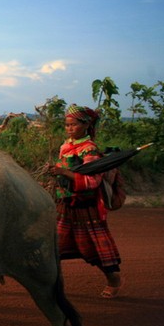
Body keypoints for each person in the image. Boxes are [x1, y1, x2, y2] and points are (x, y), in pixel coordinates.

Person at [48, 104, 123, 299]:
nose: (69, 128)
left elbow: (93, 181)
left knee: (96, 250)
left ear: (86, 125)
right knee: (53, 246)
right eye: (66, 125)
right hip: (65, 204)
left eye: (73, 125)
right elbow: (63, 172)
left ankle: (114, 281)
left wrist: (64, 172)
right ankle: (54, 285)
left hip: (85, 209)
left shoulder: (90, 150)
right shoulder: (66, 146)